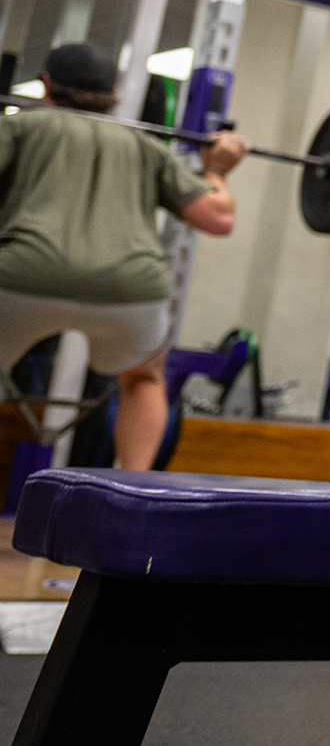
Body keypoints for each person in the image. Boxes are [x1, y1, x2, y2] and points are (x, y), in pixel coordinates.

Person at [0, 41, 246, 469]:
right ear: (114, 94)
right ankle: (133, 487)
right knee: (144, 378)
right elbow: (218, 218)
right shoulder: (146, 146)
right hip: (129, 290)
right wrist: (217, 170)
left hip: (24, 275)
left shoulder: (19, 127)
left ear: (46, 84)